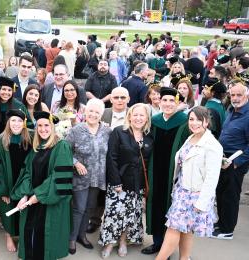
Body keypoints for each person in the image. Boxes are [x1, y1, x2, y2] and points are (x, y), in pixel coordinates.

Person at [156, 106, 223, 260]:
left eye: (199, 119)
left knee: (173, 228)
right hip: (181, 191)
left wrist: (202, 203)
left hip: (195, 195)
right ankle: (184, 258)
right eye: (191, 119)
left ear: (206, 122)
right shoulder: (191, 137)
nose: (194, 123)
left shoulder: (212, 145)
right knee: (185, 230)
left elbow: (211, 179)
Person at [11, 111, 73, 260]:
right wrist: (24, 195)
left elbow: (59, 177)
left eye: (46, 125)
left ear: (52, 127)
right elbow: (27, 172)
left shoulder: (61, 146)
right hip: (33, 198)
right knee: (30, 229)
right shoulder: (36, 148)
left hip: (50, 198)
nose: (43, 129)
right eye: (39, 126)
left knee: (46, 233)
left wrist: (37, 196)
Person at [100, 103, 154, 258]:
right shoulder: (119, 132)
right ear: (129, 116)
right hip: (119, 182)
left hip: (137, 184)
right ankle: (109, 243)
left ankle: (123, 241)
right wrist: (115, 181)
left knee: (130, 215)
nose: (138, 118)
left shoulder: (149, 136)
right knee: (114, 214)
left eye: (141, 115)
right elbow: (111, 158)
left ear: (146, 118)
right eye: (135, 114)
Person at [143, 87, 190, 255]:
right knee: (156, 205)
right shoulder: (154, 120)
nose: (168, 104)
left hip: (175, 174)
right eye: (165, 100)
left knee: (171, 208)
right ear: (159, 102)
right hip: (155, 171)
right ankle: (157, 243)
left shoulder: (185, 122)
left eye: (172, 100)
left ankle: (168, 248)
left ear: (177, 102)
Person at [65, 98, 112, 254]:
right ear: (85, 112)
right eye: (90, 111)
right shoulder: (76, 130)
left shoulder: (107, 131)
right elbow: (64, 150)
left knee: (90, 208)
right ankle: (72, 238)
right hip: (79, 177)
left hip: (98, 177)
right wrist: (76, 163)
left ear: (101, 115)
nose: (93, 114)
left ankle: (81, 235)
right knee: (79, 208)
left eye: (97, 112)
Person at [0, 109, 33, 252]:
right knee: (8, 208)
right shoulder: (0, 140)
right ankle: (8, 236)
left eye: (20, 121)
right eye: (13, 120)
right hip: (7, 182)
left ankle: (24, 237)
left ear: (24, 123)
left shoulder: (31, 137)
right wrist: (2, 191)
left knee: (26, 209)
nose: (16, 123)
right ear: (8, 122)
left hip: (25, 181)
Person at [213, 80, 249, 240]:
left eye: (239, 95)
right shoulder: (231, 110)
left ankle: (227, 230)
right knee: (220, 192)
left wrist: (236, 163)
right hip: (223, 159)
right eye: (232, 94)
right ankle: (222, 223)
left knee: (230, 196)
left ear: (246, 95)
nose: (235, 98)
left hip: (235, 161)